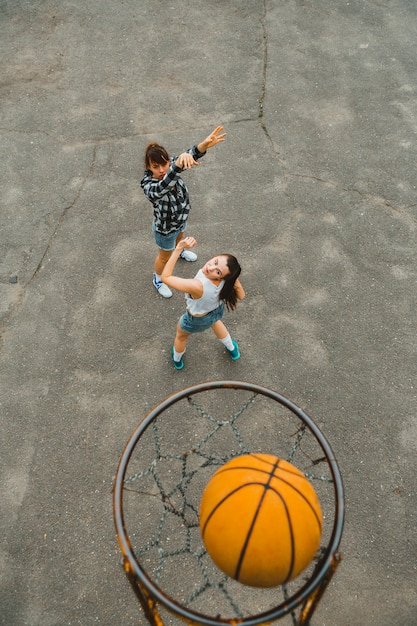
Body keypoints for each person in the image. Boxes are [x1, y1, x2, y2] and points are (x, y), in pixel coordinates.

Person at [141, 125, 227, 298]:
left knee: (180, 238)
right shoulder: (148, 185)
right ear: (149, 167)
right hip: (165, 230)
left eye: (165, 164)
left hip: (180, 220)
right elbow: (164, 186)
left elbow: (189, 155)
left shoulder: (171, 165)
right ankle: (158, 278)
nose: (162, 169)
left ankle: (179, 251)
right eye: (156, 166)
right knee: (164, 258)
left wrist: (204, 145)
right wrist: (177, 165)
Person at [161, 236, 245, 369]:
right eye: (215, 262)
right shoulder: (228, 281)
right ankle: (232, 348)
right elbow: (241, 295)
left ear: (222, 276)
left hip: (196, 319)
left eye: (218, 271)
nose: (211, 268)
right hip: (215, 310)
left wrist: (178, 249)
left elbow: (165, 277)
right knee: (216, 323)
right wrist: (232, 277)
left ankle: (177, 360)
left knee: (181, 337)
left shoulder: (197, 286)